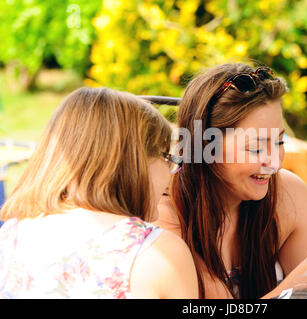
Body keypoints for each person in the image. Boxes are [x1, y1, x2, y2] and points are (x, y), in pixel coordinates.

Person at [155, 63, 307, 299]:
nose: (274, 162)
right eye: (255, 148)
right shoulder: (166, 217)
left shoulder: (289, 194)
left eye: (279, 142)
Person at [0, 87, 198, 299]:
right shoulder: (157, 253)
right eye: (167, 158)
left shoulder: (11, 236)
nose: (172, 173)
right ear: (135, 162)